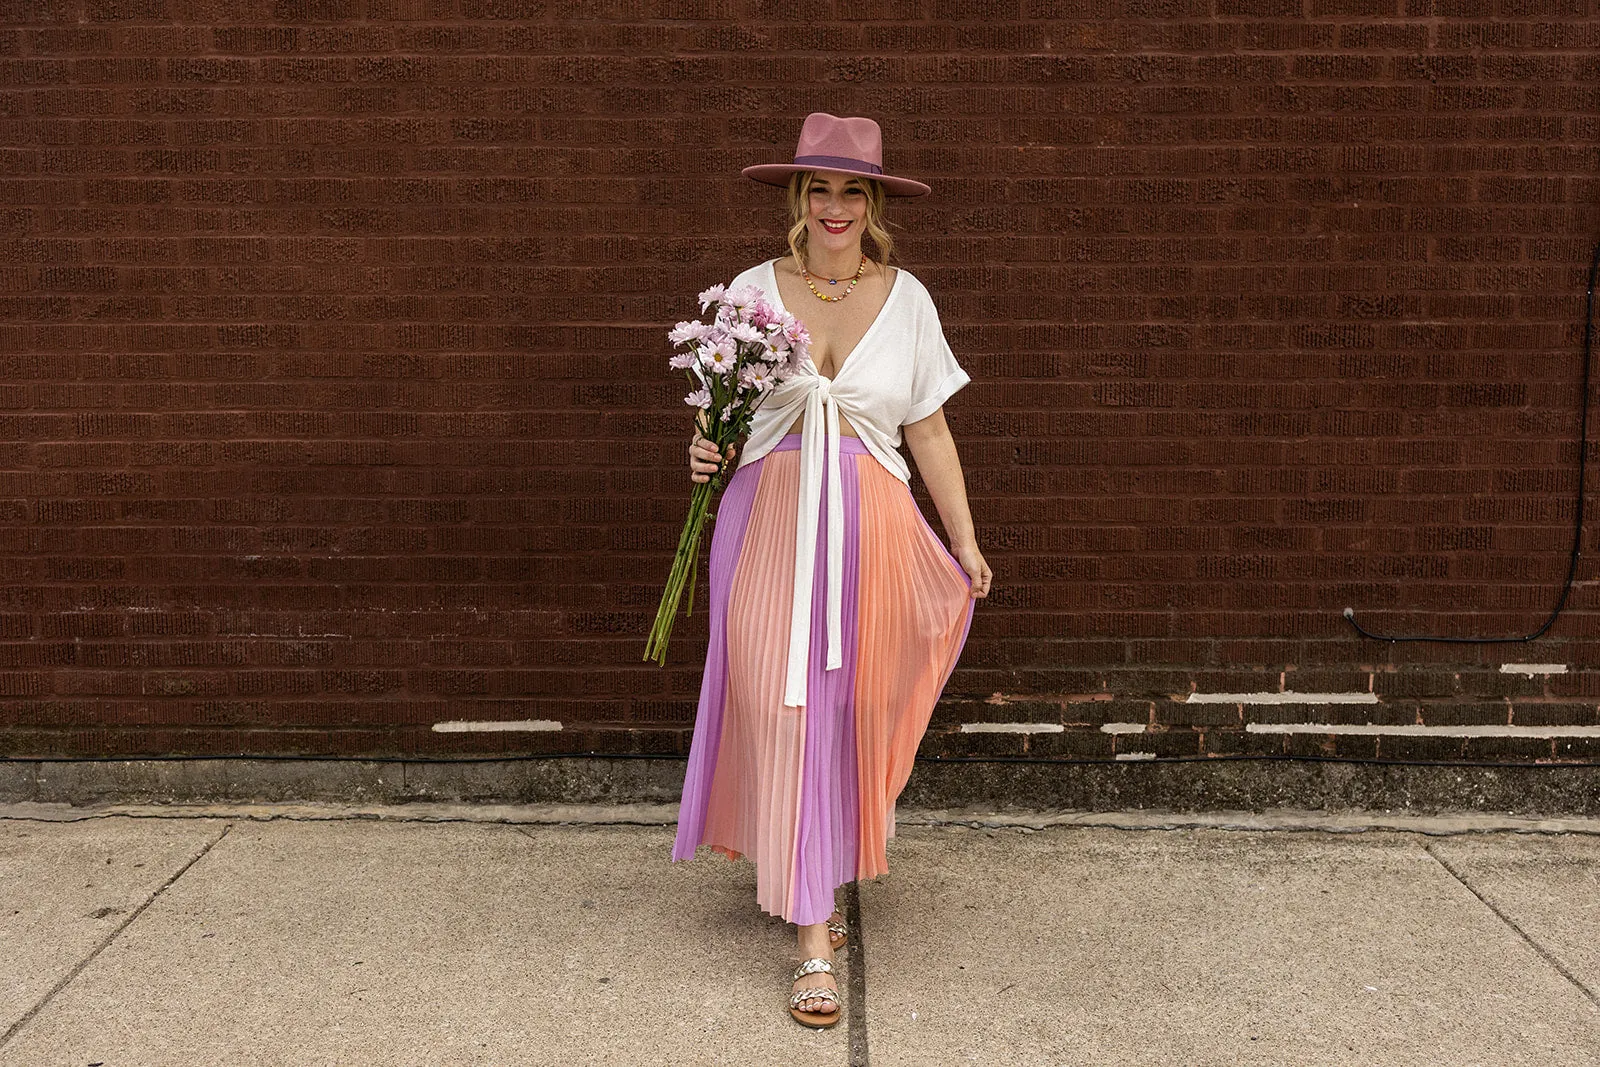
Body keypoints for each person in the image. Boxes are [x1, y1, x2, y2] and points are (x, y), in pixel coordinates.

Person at [669, 112, 993, 1029]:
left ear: (875, 201)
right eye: (821, 189)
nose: (836, 206)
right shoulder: (752, 290)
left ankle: (819, 865)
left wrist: (963, 541)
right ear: (798, 198)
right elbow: (723, 417)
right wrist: (704, 447)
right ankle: (812, 932)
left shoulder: (909, 297)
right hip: (769, 522)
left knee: (855, 707)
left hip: (873, 531)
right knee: (782, 703)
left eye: (853, 190)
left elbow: (927, 428)